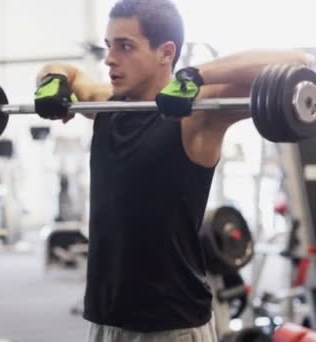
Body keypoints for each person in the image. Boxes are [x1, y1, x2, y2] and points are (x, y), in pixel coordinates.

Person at [32, 0, 312, 341]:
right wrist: (53, 79)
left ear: (166, 52)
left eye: (125, 46)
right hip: (106, 320)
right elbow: (69, 73)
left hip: (171, 326)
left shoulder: (198, 116)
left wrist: (196, 75)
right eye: (108, 46)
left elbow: (296, 63)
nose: (109, 59)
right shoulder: (107, 104)